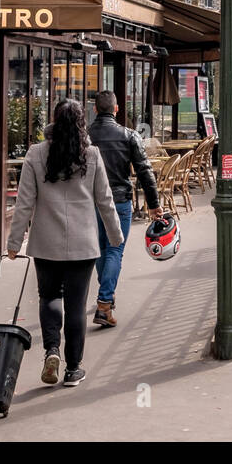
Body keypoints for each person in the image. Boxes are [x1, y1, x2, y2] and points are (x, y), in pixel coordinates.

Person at [7, 99, 121, 386]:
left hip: (45, 242)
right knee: (76, 305)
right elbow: (105, 201)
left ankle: (52, 351)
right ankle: (73, 368)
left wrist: (14, 241)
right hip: (83, 244)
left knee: (49, 297)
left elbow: (24, 203)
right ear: (82, 122)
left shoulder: (36, 153)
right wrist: (116, 237)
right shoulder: (92, 154)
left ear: (54, 120)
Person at [87, 89, 162, 328]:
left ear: (95, 109)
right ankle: (104, 302)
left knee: (100, 249)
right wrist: (154, 205)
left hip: (90, 202)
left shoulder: (84, 136)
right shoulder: (129, 135)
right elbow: (144, 171)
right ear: (117, 109)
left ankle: (105, 295)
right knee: (114, 250)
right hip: (118, 201)